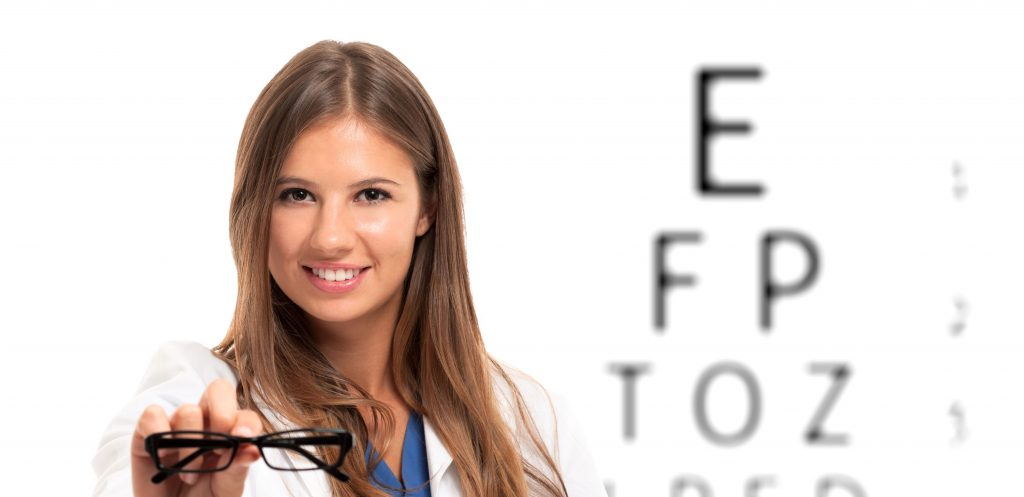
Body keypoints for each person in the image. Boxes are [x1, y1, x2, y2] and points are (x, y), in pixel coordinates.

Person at [91, 40, 608, 497]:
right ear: (254, 208)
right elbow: (135, 463)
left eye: (371, 195)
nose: (331, 236)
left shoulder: (531, 421)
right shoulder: (201, 401)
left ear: (427, 207)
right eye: (296, 195)